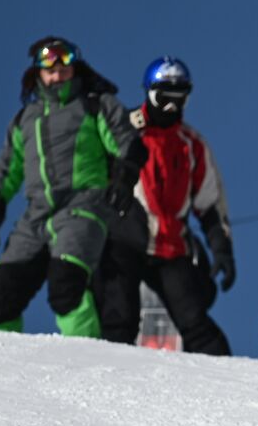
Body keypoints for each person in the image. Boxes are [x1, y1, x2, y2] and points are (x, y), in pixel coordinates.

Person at [0, 36, 140, 337]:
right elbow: (6, 171)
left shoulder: (95, 105)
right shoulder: (25, 119)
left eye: (64, 65)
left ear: (74, 68)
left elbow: (126, 142)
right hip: (37, 215)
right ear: (37, 72)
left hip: (83, 206)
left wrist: (124, 176)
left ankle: (85, 364)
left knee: (67, 285)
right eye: (49, 67)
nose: (56, 74)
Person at [93, 57, 234, 355]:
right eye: (164, 98)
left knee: (194, 320)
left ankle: (230, 384)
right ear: (148, 93)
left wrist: (221, 248)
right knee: (119, 318)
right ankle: (107, 384)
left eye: (178, 98)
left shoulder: (190, 144)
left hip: (170, 247)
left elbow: (209, 203)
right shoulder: (123, 129)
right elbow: (88, 170)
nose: (171, 107)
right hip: (123, 238)